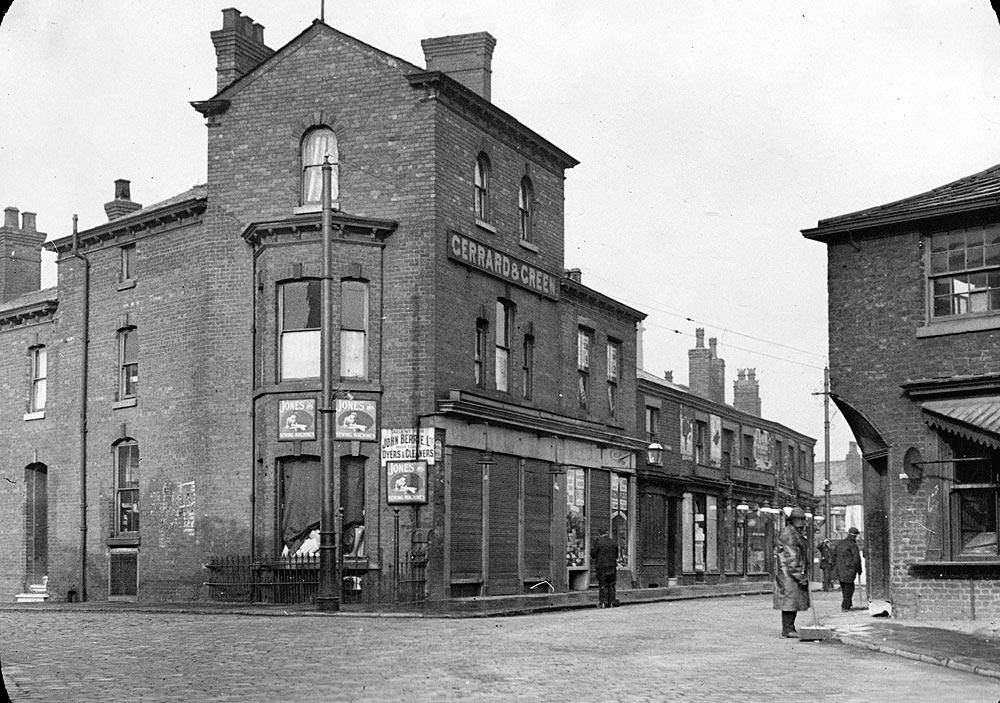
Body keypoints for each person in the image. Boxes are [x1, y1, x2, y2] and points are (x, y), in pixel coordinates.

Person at [773, 507, 810, 637]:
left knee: (792, 601)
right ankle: (788, 629)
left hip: (788, 573)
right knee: (790, 601)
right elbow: (791, 557)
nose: (802, 526)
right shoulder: (789, 534)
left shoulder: (793, 532)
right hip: (788, 574)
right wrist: (799, 575)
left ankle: (790, 627)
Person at [834, 526, 863, 611]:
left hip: (840, 570)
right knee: (849, 588)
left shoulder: (840, 543)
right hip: (849, 570)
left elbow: (834, 556)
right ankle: (845, 606)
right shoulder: (853, 545)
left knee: (844, 588)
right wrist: (859, 570)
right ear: (854, 536)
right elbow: (857, 558)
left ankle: (848, 604)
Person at [590, 528, 619, 608]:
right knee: (611, 585)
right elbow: (616, 555)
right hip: (612, 567)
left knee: (602, 584)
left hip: (601, 567)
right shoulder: (613, 542)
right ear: (607, 533)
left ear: (600, 534)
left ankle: (603, 602)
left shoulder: (598, 542)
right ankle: (612, 602)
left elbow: (593, 554)